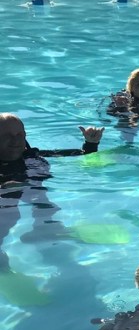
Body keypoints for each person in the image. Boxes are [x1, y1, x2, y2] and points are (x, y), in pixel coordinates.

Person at [1, 112, 104, 272]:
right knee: (9, 216)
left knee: (44, 205)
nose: (15, 141)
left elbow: (77, 155)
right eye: (7, 136)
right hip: (6, 198)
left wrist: (90, 144)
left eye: (19, 135)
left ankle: (43, 230)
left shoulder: (31, 157)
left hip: (32, 191)